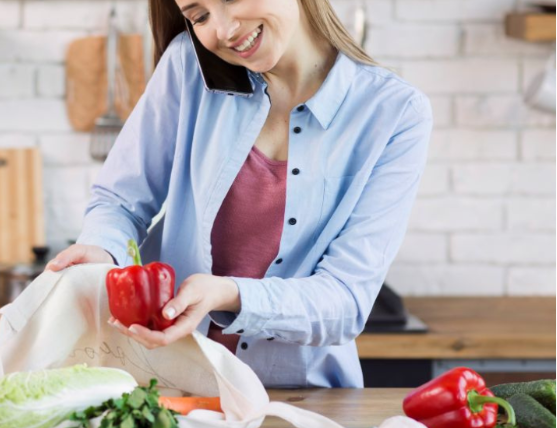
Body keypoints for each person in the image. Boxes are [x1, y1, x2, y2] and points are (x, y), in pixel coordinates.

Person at [45, 0, 433, 388]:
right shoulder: (188, 66)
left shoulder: (394, 112)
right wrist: (102, 248)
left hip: (299, 400)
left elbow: (345, 302)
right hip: (165, 385)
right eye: (200, 16)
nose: (225, 30)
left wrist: (229, 294)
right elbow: (120, 201)